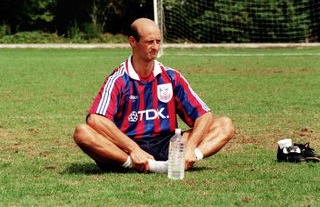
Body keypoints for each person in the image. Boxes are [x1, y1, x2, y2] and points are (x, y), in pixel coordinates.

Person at [73, 18, 236, 173]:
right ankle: (135, 164)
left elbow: (204, 115)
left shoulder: (171, 77)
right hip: (127, 146)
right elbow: (95, 119)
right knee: (82, 133)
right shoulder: (119, 80)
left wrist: (192, 148)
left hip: (168, 145)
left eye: (158, 41)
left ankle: (182, 161)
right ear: (132, 42)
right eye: (149, 42)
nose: (156, 47)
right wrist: (133, 149)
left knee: (225, 125)